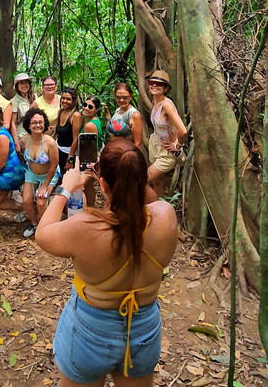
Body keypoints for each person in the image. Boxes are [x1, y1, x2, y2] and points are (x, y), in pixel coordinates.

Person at [35, 141, 178, 387]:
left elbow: (43, 233)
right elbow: (147, 202)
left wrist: (66, 188)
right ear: (143, 179)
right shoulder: (166, 215)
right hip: (143, 329)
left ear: (103, 185)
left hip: (91, 329)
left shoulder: (87, 227)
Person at [19, 108, 61, 238]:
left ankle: (45, 228)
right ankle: (35, 224)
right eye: (34, 122)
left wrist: (44, 186)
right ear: (28, 125)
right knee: (26, 201)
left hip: (49, 174)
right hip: (31, 173)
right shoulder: (25, 140)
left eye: (41, 122)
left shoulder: (50, 142)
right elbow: (22, 157)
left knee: (41, 202)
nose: (38, 125)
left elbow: (54, 166)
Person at [146, 71, 187, 198]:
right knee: (157, 181)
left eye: (159, 84)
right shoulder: (155, 101)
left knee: (143, 180)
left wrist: (177, 145)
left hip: (166, 154)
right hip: (155, 145)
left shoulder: (166, 105)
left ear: (166, 88)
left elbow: (183, 130)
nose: (154, 86)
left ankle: (148, 209)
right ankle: (160, 209)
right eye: (152, 83)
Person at [79, 96, 105, 208]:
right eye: (85, 105)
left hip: (91, 156)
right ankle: (90, 210)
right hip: (92, 153)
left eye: (90, 107)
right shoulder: (87, 120)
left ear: (97, 109)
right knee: (89, 186)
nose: (86, 108)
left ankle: (82, 213)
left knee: (79, 185)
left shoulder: (90, 125)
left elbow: (90, 149)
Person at [106, 82, 143, 149]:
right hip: (115, 150)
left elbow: (138, 143)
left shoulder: (134, 115)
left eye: (125, 97)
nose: (121, 100)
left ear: (130, 97)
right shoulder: (117, 110)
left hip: (126, 152)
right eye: (118, 97)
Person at [55, 88, 82, 171]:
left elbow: (75, 139)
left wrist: (70, 159)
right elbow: (57, 133)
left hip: (68, 152)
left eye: (68, 99)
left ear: (73, 101)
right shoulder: (60, 112)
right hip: (58, 150)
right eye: (63, 98)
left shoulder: (75, 115)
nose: (65, 101)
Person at [10, 73, 35, 155]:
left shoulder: (35, 97)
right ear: (17, 86)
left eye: (26, 82)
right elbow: (12, 123)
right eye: (21, 83)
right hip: (22, 134)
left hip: (35, 132)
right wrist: (16, 143)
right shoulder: (15, 101)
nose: (24, 85)